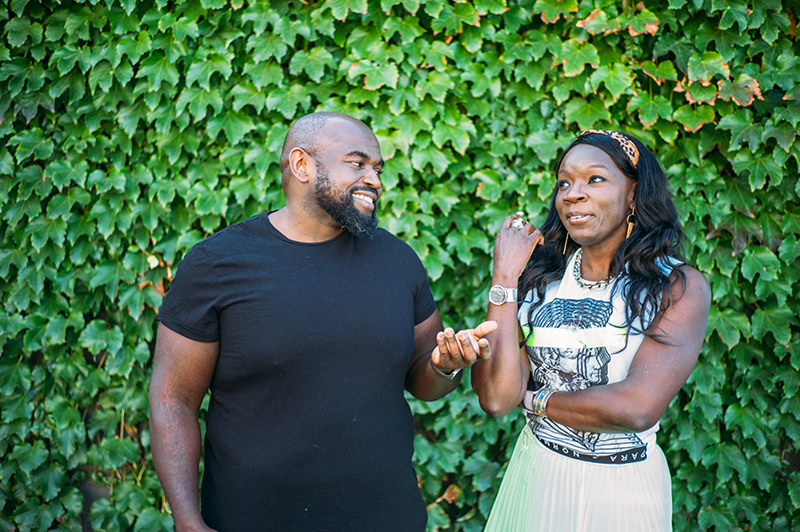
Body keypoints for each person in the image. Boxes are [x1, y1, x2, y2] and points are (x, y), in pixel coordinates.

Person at [148, 112, 496, 532]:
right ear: (301, 165)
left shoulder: (398, 261)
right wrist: (187, 520)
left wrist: (445, 364)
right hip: (254, 518)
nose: (376, 180)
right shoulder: (216, 265)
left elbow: (424, 381)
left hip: (384, 517)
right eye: (357, 163)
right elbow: (172, 400)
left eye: (378, 168)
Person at [468, 129, 711, 531]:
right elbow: (495, 398)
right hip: (535, 478)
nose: (572, 194)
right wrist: (505, 275)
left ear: (634, 194)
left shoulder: (677, 287)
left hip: (623, 492)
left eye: (594, 179)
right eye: (564, 181)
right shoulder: (538, 281)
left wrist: (532, 401)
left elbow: (635, 407)